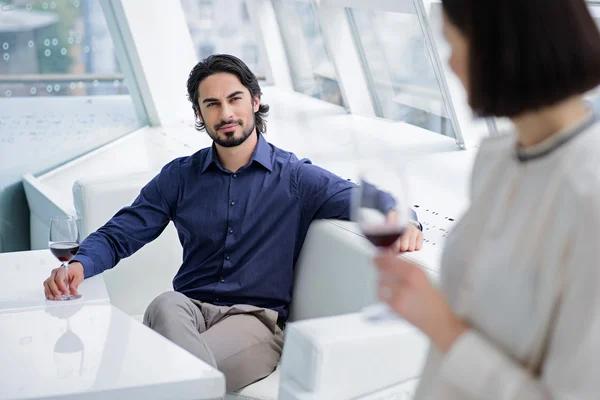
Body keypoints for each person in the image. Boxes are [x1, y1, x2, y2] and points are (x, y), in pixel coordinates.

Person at [42, 54, 423, 392]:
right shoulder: (180, 177)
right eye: (212, 104)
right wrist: (79, 263)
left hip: (254, 322)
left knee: (169, 367)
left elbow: (369, 200)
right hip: (187, 310)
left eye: (234, 99)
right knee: (163, 304)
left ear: (255, 102)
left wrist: (405, 220)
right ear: (199, 115)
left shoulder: (295, 178)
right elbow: (121, 233)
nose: (225, 113)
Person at [374, 1, 600, 398]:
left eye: (453, 45)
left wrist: (442, 326)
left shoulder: (589, 199)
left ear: (499, 46)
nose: (451, 66)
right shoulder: (496, 156)